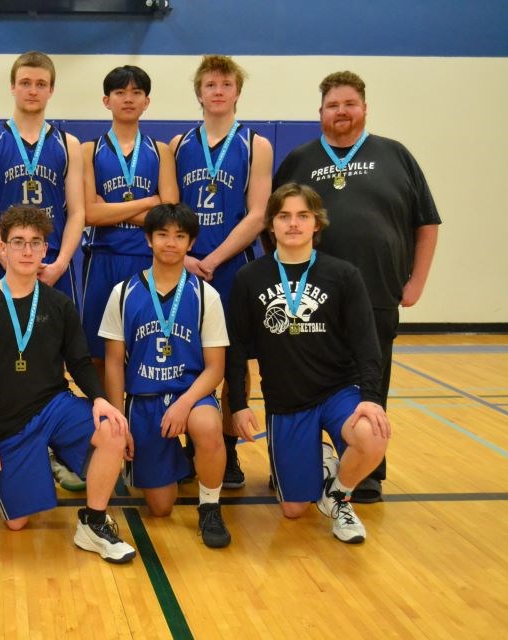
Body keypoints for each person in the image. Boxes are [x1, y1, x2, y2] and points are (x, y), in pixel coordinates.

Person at [273, 71, 441, 502]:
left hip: (377, 293)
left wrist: (417, 280)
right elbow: (273, 222)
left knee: (373, 377)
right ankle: (299, 460)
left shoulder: (396, 155)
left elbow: (426, 222)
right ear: (320, 113)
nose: (341, 112)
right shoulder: (300, 159)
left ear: (365, 108)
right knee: (305, 377)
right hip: (310, 298)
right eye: (333, 105)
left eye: (349, 104)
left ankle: (365, 469)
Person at [0, 206, 136, 564]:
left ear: (45, 250)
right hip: (9, 424)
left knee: (113, 428)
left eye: (35, 243)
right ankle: (25, 470)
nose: (27, 251)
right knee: (17, 524)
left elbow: (81, 363)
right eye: (18, 243)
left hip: (55, 407)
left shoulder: (59, 304)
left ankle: (93, 522)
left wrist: (101, 400)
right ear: (3, 248)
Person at [226, 183, 390, 543]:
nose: (294, 224)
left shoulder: (344, 275)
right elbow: (236, 348)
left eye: (303, 215)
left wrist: (372, 398)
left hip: (337, 390)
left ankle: (339, 496)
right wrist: (238, 405)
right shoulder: (249, 278)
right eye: (284, 216)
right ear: (271, 225)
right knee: (294, 509)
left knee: (373, 433)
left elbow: (367, 343)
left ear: (317, 223)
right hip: (287, 400)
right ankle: (323, 461)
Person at [100, 203, 231, 548]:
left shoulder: (206, 295)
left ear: (190, 243)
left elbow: (216, 367)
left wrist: (185, 404)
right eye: (162, 235)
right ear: (148, 240)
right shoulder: (123, 293)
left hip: (192, 394)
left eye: (179, 236)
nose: (170, 243)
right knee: (160, 508)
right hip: (144, 402)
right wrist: (118, 419)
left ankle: (210, 507)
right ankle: (179, 460)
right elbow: (113, 362)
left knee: (207, 426)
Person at [170, 54, 273, 490]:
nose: (217, 91)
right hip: (185, 267)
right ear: (198, 93)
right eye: (210, 84)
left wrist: (214, 258)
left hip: (232, 268)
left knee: (232, 361)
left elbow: (258, 214)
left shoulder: (256, 145)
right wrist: (187, 257)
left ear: (237, 93)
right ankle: (191, 442)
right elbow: (170, 210)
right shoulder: (178, 145)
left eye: (226, 85)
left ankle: (228, 450)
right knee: (187, 354)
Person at [81, 65, 178, 378]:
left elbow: (169, 213)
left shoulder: (160, 151)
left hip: (145, 260)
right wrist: (149, 201)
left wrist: (112, 207)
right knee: (97, 351)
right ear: (106, 100)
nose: (128, 98)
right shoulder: (88, 151)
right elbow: (90, 213)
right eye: (120, 92)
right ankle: (109, 420)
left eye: (136, 92)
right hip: (102, 258)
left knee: (143, 346)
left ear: (147, 101)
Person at [0, 50, 85, 306]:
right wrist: (9, 259)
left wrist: (61, 263)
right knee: (0, 343)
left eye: (41, 84)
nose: (33, 91)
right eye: (25, 83)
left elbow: (77, 212)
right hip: (4, 260)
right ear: (12, 87)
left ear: (51, 90)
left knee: (59, 344)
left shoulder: (69, 145)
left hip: (52, 263)